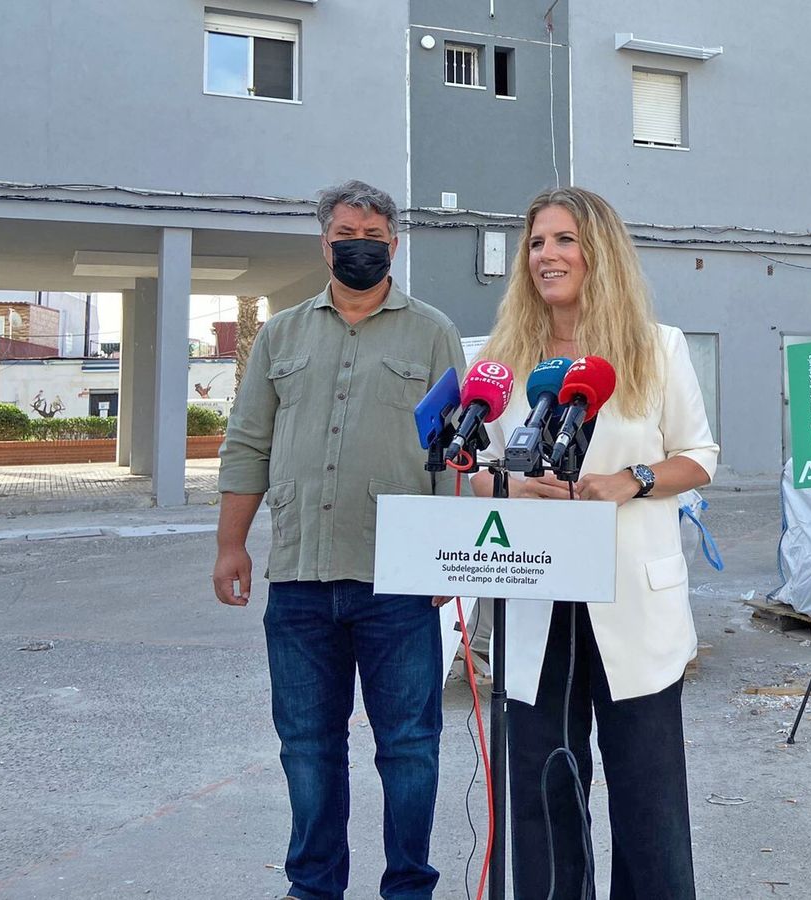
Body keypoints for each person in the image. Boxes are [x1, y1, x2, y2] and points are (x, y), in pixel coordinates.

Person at [212, 180, 467, 900]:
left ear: (395, 243)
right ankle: (314, 885)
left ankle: (408, 887)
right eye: (347, 231)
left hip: (399, 581)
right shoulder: (281, 335)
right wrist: (231, 545)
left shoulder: (431, 331)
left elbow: (455, 451)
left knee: (410, 748)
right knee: (308, 747)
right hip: (299, 578)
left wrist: (449, 555)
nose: (361, 243)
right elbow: (246, 443)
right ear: (324, 242)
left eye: (375, 233)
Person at [471, 186, 717, 900]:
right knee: (545, 793)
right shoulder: (503, 358)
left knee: (648, 801)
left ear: (598, 251)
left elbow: (699, 456)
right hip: (537, 600)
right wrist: (508, 489)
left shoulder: (656, 347)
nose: (547, 255)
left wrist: (632, 480)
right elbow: (472, 472)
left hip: (633, 606)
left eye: (564, 240)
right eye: (537, 242)